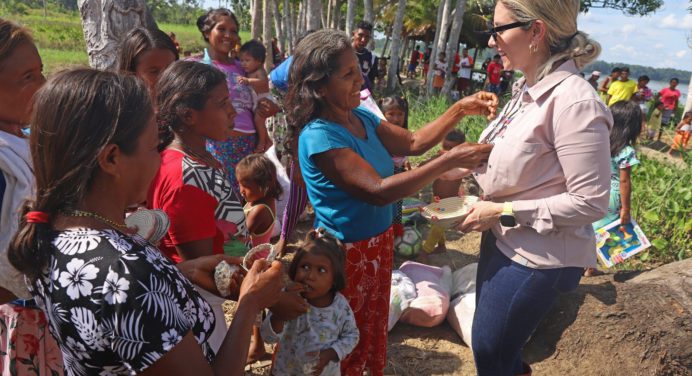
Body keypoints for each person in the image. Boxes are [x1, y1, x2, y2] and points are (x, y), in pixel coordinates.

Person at [8, 68, 284, 375]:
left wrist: (180, 273)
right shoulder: (126, 274)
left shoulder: (54, 233)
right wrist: (249, 304)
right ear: (112, 158)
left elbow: (111, 313)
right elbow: (126, 293)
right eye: (154, 147)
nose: (160, 159)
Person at [286, 29, 495, 375]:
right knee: (340, 336)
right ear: (320, 87)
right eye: (348, 74)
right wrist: (447, 160)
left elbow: (412, 141)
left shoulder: (360, 117)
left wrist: (460, 108)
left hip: (377, 246)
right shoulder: (320, 136)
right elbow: (378, 190)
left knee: (368, 326)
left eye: (359, 70)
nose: (360, 80)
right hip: (343, 257)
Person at [457, 1, 612, 374]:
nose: (493, 40)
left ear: (536, 32)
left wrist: (504, 211)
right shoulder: (528, 89)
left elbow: (590, 202)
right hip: (503, 236)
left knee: (491, 350)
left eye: (499, 29)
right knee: (489, 347)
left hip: (539, 256)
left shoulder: (575, 102)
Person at [149, 60, 252, 355]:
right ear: (188, 115)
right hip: (200, 311)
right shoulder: (187, 181)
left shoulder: (189, 160)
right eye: (222, 103)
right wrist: (262, 298)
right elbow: (203, 270)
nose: (233, 111)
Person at [0, 18, 64, 375]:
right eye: (27, 78)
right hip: (23, 320)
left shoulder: (24, 140)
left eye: (40, 72)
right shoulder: (3, 163)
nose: (42, 86)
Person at [193, 8, 279, 194]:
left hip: (249, 145)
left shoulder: (246, 68)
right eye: (221, 29)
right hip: (216, 148)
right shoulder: (197, 68)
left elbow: (265, 96)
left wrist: (269, 108)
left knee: (251, 200)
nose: (228, 35)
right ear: (207, 32)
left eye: (233, 31)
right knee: (222, 201)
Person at [261, 229, 359, 375]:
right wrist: (280, 315)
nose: (310, 276)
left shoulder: (339, 306)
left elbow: (352, 336)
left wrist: (331, 353)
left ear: (334, 279)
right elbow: (268, 337)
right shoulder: (287, 299)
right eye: (305, 267)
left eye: (321, 270)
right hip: (285, 371)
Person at [585, 101, 643, 276]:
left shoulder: (598, 142)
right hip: (612, 195)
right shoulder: (625, 150)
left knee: (589, 228)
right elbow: (624, 182)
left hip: (593, 189)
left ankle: (583, 264)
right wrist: (626, 208)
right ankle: (590, 267)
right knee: (604, 231)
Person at [379, 96, 411, 239]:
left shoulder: (404, 134)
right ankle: (384, 233)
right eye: (391, 114)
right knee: (384, 206)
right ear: (381, 114)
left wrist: (405, 161)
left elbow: (404, 152)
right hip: (383, 174)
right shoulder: (377, 134)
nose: (396, 118)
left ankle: (395, 235)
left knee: (397, 204)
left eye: (400, 114)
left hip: (398, 174)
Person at [236, 153, 282, 247]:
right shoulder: (259, 198)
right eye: (239, 184)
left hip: (254, 259)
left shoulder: (259, 210)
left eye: (246, 186)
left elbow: (239, 237)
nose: (241, 190)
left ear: (264, 185)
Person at [118, 27, 179, 97]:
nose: (165, 78)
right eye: (154, 71)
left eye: (170, 69)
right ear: (131, 73)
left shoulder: (186, 104)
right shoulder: (118, 106)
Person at [238, 40, 273, 153]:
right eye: (241, 60)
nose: (243, 64)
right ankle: (266, 140)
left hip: (264, 100)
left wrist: (248, 80)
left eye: (247, 60)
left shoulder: (259, 71)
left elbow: (264, 81)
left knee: (258, 120)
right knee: (257, 122)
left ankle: (262, 142)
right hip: (255, 101)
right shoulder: (248, 71)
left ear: (258, 61)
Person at [352, 21, 378, 90]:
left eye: (367, 37)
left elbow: (371, 81)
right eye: (360, 35)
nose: (363, 40)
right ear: (354, 34)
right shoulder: (342, 54)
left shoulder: (372, 58)